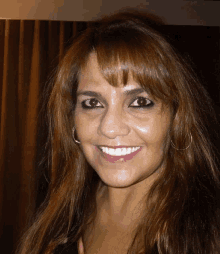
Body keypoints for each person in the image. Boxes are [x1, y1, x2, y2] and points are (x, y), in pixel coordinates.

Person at [17, 11, 220, 254]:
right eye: (92, 104)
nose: (110, 127)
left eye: (140, 102)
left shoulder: (207, 235)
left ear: (177, 117)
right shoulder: (62, 212)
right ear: (72, 119)